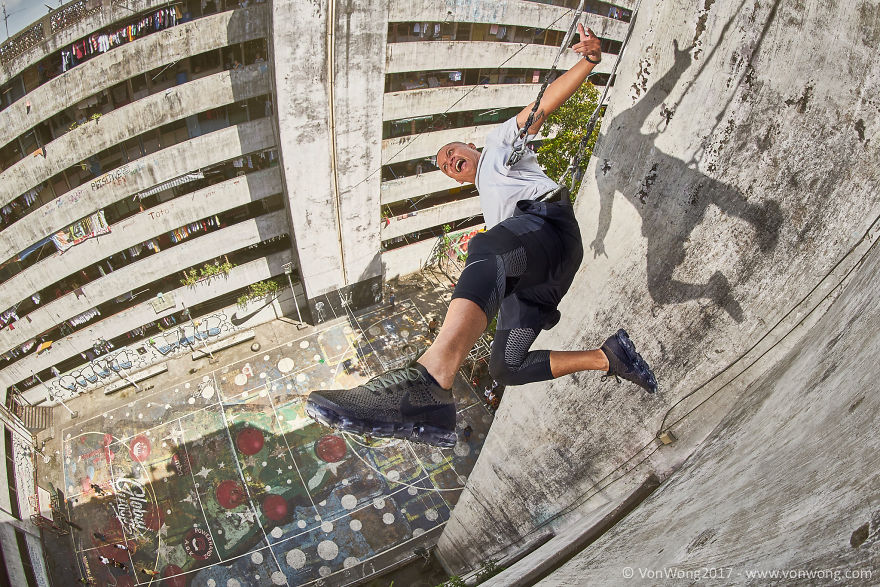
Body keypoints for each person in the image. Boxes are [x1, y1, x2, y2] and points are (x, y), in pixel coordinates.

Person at [305, 24, 656, 448]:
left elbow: (540, 107)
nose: (450, 160)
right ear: (455, 179)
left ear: (471, 147)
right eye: (444, 164)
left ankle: (430, 380)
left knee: (487, 247)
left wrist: (588, 61)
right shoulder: (491, 204)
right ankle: (610, 357)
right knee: (505, 367)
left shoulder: (498, 145)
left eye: (453, 152)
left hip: (547, 228)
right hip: (535, 277)